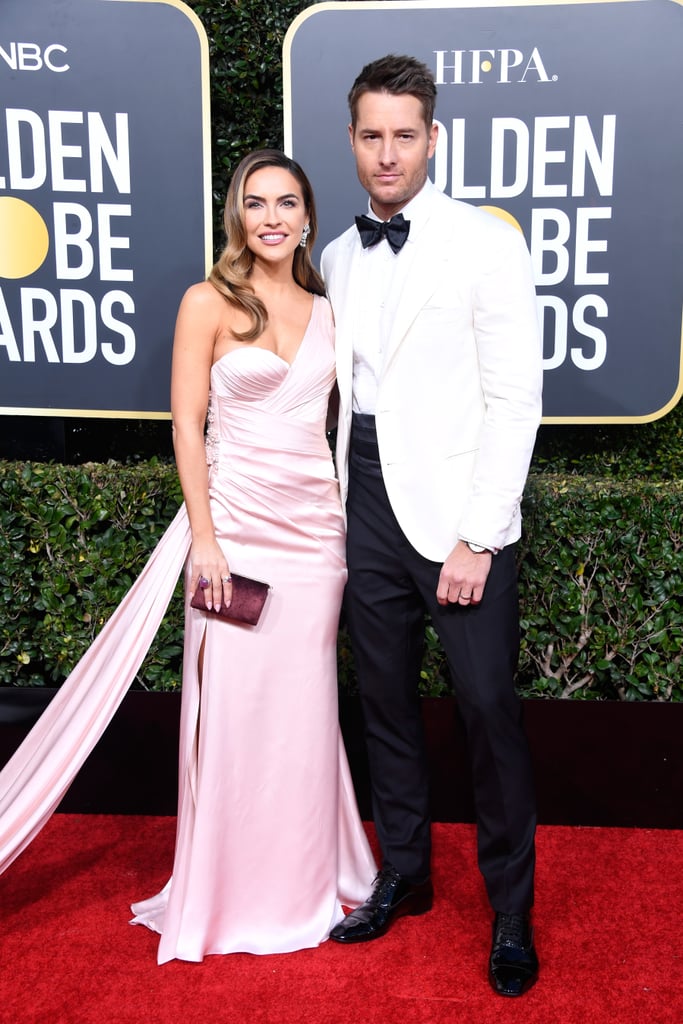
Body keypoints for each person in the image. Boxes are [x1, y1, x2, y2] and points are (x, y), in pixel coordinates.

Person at [0, 149, 376, 962]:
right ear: (236, 216)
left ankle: (305, 876)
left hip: (317, 541)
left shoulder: (327, 304)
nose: (271, 217)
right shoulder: (205, 301)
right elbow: (184, 426)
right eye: (255, 202)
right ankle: (233, 889)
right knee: (237, 715)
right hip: (234, 534)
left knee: (304, 714)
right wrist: (203, 535)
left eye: (286, 202)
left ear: (308, 215)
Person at [320, 56, 543, 997]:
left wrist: (478, 534)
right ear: (351, 140)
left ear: (433, 138)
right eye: (371, 135)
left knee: (487, 710)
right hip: (361, 504)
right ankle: (403, 871)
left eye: (403, 134)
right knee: (382, 705)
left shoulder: (483, 243)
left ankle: (510, 911)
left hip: (456, 513)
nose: (386, 152)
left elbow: (515, 396)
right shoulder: (333, 254)